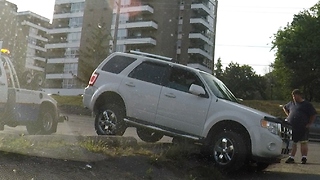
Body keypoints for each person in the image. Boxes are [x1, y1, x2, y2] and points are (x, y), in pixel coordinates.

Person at [283, 89, 317, 164]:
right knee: (293, 143)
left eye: (295, 96)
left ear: (299, 95)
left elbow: (313, 114)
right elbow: (285, 107)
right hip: (292, 126)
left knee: (303, 142)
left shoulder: (307, 105)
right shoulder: (291, 103)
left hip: (303, 126)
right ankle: (291, 157)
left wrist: (310, 123)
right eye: (293, 96)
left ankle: (304, 158)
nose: (294, 97)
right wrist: (289, 115)